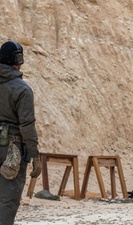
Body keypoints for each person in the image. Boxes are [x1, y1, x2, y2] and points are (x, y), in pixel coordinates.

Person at [0, 40, 42, 225]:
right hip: (13, 147)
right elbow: (27, 126)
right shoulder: (22, 89)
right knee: (8, 199)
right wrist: (35, 156)